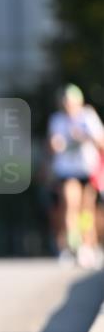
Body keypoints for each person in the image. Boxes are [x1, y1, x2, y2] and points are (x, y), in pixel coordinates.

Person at [47, 84, 104, 268]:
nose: (68, 106)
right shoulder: (57, 120)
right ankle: (72, 245)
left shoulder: (87, 116)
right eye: (65, 103)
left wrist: (85, 136)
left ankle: (88, 246)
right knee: (70, 204)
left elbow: (100, 141)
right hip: (66, 171)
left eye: (71, 103)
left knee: (86, 210)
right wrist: (55, 144)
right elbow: (52, 144)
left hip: (87, 170)